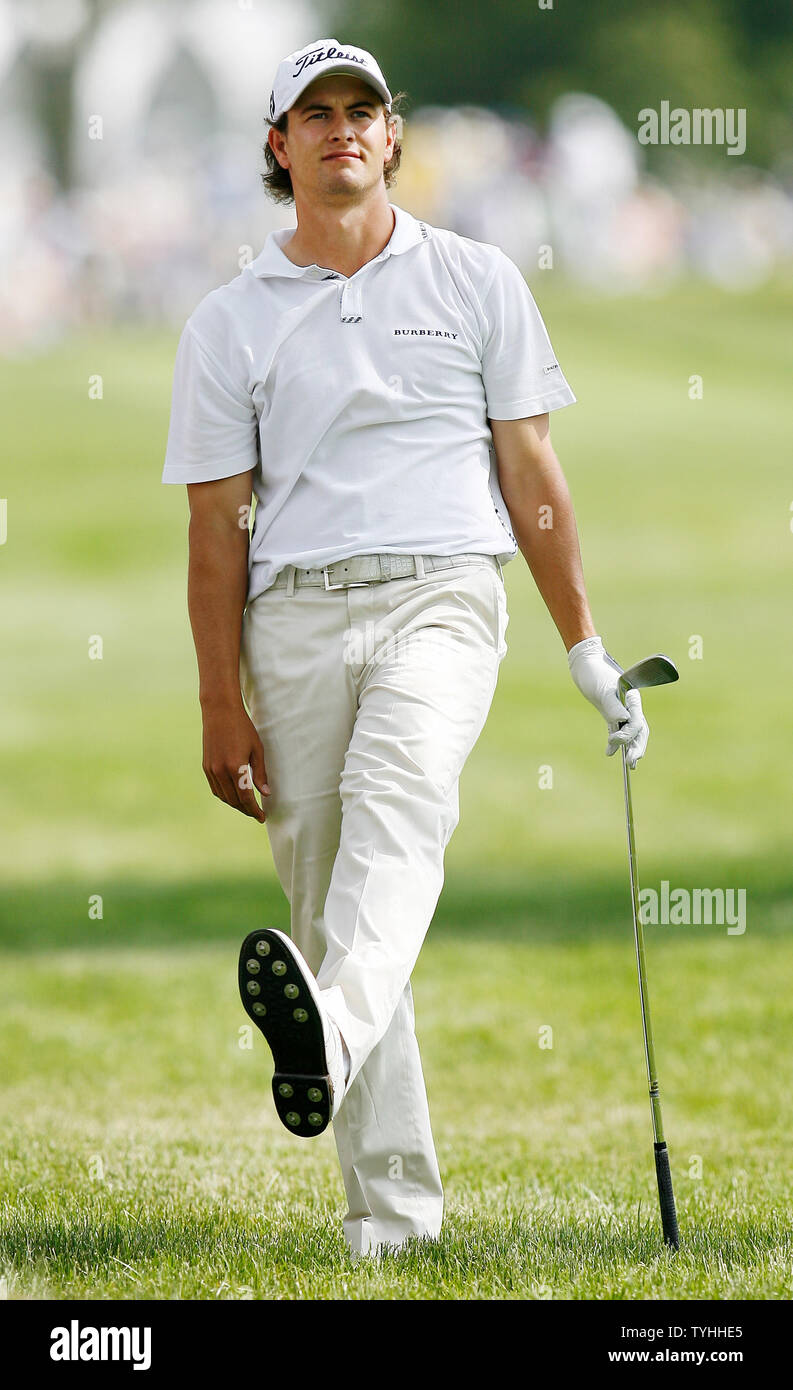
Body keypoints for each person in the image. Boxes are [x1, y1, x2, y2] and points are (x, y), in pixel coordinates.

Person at [162, 38, 649, 1260]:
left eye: (361, 111)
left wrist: (584, 645)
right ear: (278, 146)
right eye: (312, 114)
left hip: (441, 594)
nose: (340, 129)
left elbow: (530, 475)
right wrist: (219, 704)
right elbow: (216, 531)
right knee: (335, 916)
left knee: (397, 819)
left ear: (391, 136)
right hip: (293, 617)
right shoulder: (227, 324)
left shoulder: (477, 279)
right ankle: (392, 1218)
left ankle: (323, 1043)